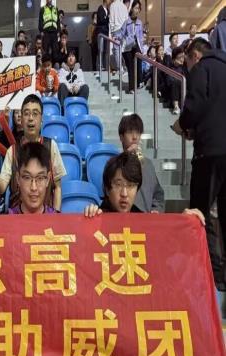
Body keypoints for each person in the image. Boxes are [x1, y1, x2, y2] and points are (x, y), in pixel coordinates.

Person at [172, 37, 226, 291]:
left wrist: (182, 125)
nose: (188, 68)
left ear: (194, 55)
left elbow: (195, 105)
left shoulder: (202, 69)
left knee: (199, 216)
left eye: (187, 63)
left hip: (209, 153)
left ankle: (207, 276)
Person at [0, 94, 66, 211]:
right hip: (17, 216)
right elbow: (1, 188)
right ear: (21, 119)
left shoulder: (51, 146)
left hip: (45, 215)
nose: (30, 118)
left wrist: (56, 215)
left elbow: (58, 187)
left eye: (35, 114)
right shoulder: (12, 151)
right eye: (26, 113)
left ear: (41, 119)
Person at [83, 152, 203, 223]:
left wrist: (185, 222)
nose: (124, 193)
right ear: (107, 189)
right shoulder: (97, 219)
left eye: (131, 185)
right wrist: (89, 223)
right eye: (118, 184)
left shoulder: (144, 220)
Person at [118, 114, 164, 212]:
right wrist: (126, 156)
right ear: (121, 137)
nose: (135, 137)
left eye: (138, 132)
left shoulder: (148, 164)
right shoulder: (115, 164)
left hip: (145, 217)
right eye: (130, 132)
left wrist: (156, 210)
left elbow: (158, 195)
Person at [9, 142, 56, 215]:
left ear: (48, 179)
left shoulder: (57, 219)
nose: (34, 188)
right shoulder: (5, 219)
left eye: (40, 178)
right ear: (18, 179)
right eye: (27, 178)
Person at [120, 0, 144, 93]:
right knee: (130, 67)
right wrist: (119, 38)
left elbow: (141, 37)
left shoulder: (140, 23)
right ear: (132, 8)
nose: (137, 10)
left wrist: (142, 49)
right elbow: (121, 34)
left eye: (139, 8)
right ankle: (131, 88)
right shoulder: (127, 22)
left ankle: (137, 84)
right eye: (136, 8)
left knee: (138, 65)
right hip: (128, 48)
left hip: (137, 46)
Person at [110, 0, 130, 72]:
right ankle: (126, 67)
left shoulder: (112, 5)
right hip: (123, 30)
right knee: (123, 49)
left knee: (117, 50)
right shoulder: (124, 6)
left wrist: (112, 31)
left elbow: (111, 19)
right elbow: (127, 20)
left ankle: (120, 69)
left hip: (116, 30)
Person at [39, 0, 60, 66]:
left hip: (54, 32)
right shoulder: (43, 9)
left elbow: (58, 21)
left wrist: (58, 31)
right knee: (46, 50)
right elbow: (40, 20)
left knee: (55, 50)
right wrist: (41, 31)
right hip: (46, 32)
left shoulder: (55, 9)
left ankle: (53, 66)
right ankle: (45, 65)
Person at [168, 47, 186, 115]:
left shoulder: (185, 66)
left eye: (183, 57)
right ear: (174, 58)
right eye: (180, 57)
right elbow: (169, 81)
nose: (182, 59)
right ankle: (176, 107)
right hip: (174, 92)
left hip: (184, 91)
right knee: (175, 82)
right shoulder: (170, 67)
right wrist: (176, 66)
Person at [95, 0, 112, 70]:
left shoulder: (108, 9)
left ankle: (104, 66)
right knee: (101, 49)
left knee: (105, 50)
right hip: (101, 32)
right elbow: (101, 20)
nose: (110, 1)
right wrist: (108, 17)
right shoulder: (100, 8)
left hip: (106, 32)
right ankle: (100, 65)